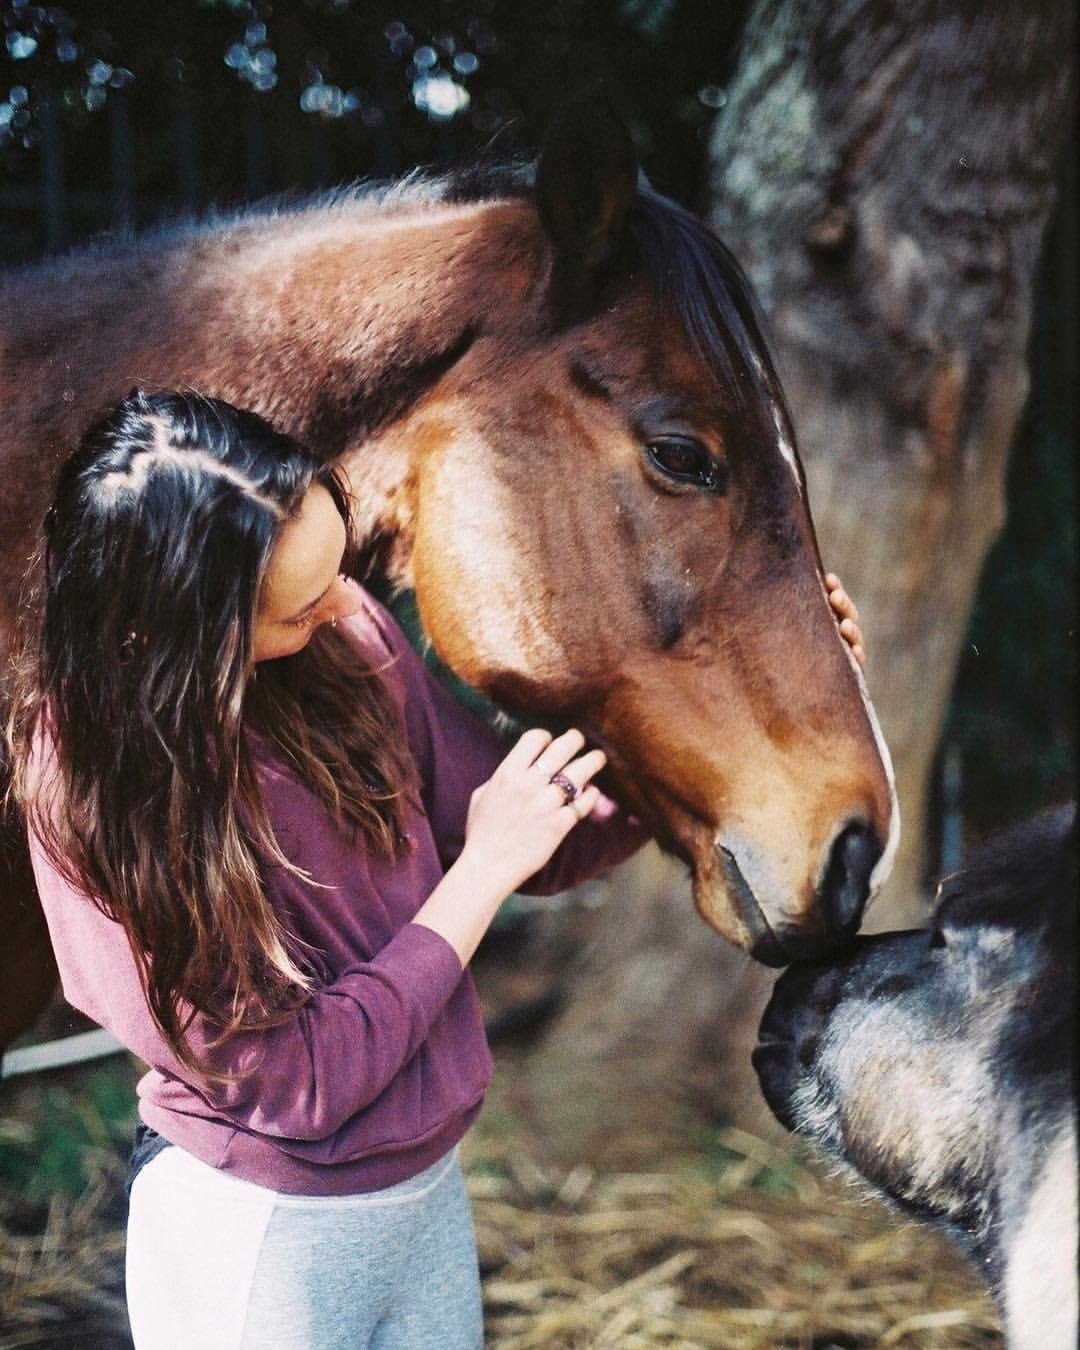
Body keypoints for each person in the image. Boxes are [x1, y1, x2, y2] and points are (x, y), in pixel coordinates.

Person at [6, 389, 866, 1350]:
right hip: (259, 1235)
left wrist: (756, 719)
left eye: (335, 569)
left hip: (422, 1198)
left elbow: (539, 836)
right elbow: (296, 1084)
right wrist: (479, 876)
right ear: (181, 631)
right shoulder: (94, 782)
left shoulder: (347, 644)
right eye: (296, 607)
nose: (340, 606)